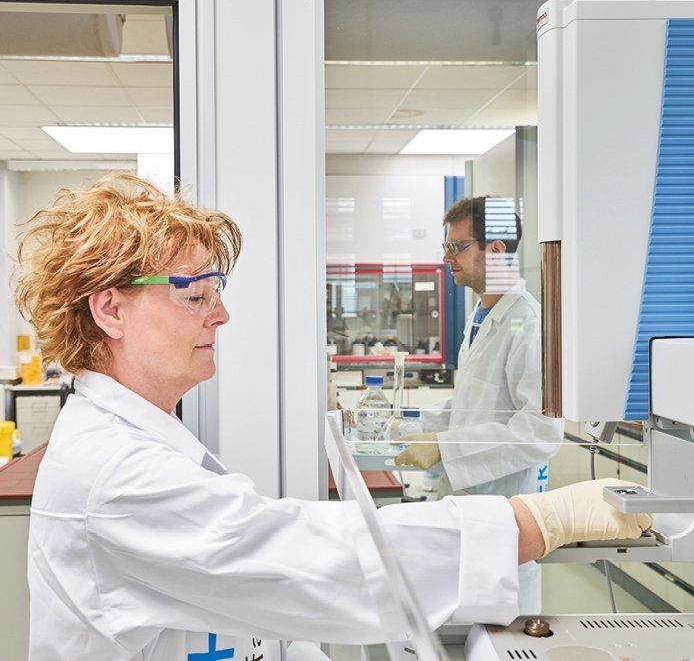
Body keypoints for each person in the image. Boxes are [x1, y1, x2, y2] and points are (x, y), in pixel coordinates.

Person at [15, 175, 650, 661]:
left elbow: (251, 587)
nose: (221, 315)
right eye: (195, 294)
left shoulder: (139, 440)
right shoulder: (115, 475)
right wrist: (539, 521)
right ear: (111, 311)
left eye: (216, 293)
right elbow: (312, 561)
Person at [395, 196, 564, 613]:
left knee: (497, 632)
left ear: (496, 249)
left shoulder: (529, 324)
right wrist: (409, 424)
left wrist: (444, 446)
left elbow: (540, 431)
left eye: (456, 246)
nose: (446, 257)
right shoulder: (482, 315)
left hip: (501, 516)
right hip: (465, 508)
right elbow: (472, 404)